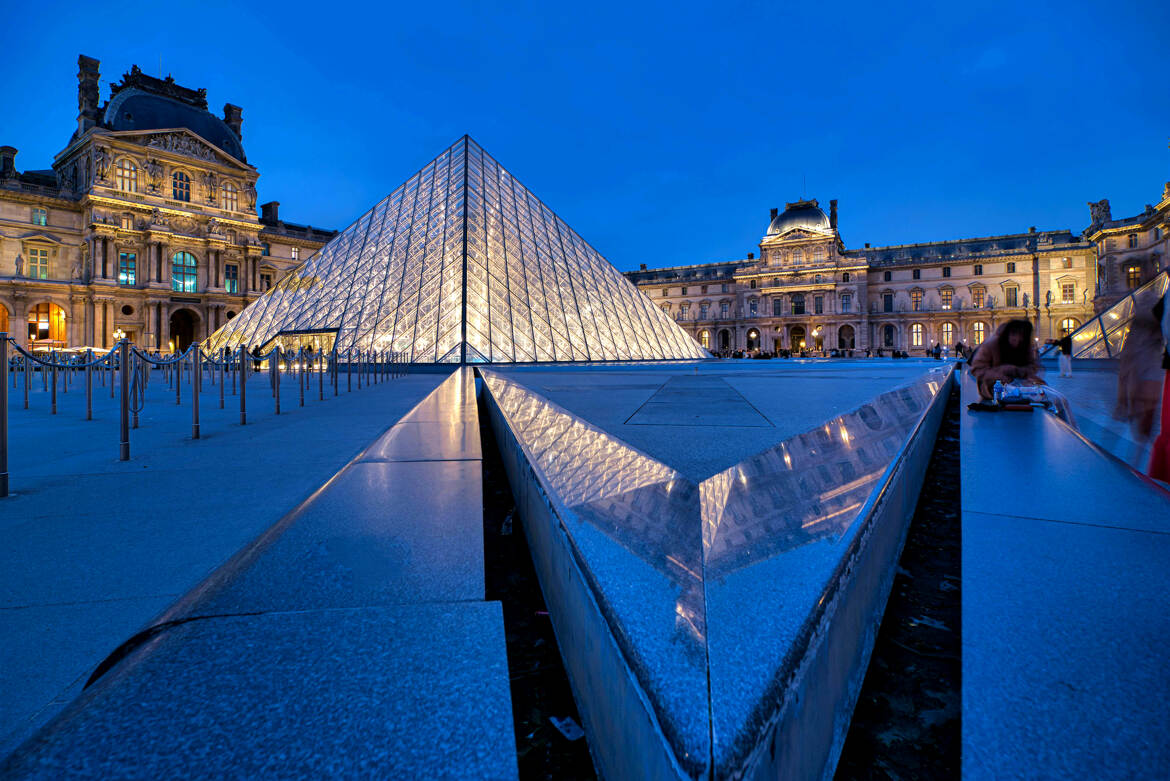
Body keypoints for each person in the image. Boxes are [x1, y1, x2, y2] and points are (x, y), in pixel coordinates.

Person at [970, 319, 1044, 399]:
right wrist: (1002, 374)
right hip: (993, 387)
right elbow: (977, 369)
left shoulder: (1025, 346)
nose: (1017, 339)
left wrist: (1019, 371)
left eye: (1021, 336)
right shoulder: (991, 345)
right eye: (1014, 335)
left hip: (1022, 384)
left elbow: (1033, 367)